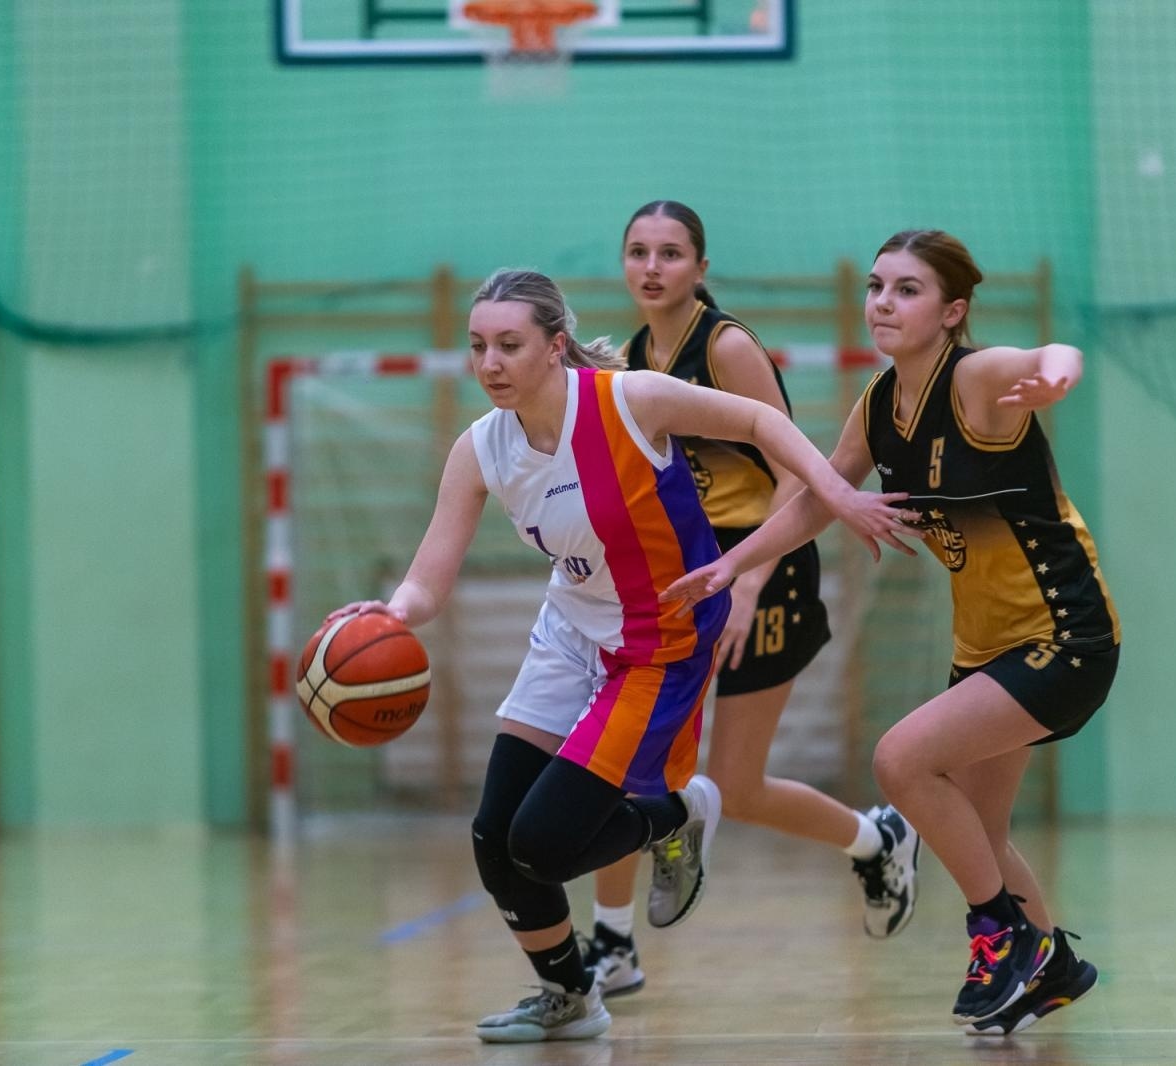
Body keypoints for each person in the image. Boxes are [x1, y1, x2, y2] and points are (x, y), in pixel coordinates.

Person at [327, 269, 909, 1044]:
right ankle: (572, 996)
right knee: (493, 837)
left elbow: (764, 425)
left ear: (555, 345)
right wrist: (390, 613)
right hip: (568, 634)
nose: (490, 362)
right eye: (477, 347)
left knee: (542, 844)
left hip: (661, 643)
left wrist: (837, 499)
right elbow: (430, 578)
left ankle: (678, 812)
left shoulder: (629, 400)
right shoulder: (483, 448)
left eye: (509, 344)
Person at [663, 229, 1117, 1035]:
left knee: (899, 760)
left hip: (1064, 632)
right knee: (980, 832)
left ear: (953, 312)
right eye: (877, 287)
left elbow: (1054, 350)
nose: (883, 302)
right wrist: (740, 566)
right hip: (986, 645)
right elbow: (815, 497)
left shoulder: (975, 379)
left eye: (907, 290)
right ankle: (1050, 963)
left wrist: (1058, 371)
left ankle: (1001, 935)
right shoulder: (880, 402)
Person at [581, 201, 920, 998]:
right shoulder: (631, 356)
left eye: (670, 253)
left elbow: (798, 465)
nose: (653, 267)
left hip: (760, 566)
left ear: (700, 268)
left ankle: (875, 839)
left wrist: (752, 578)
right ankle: (615, 942)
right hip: (690, 575)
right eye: (638, 252)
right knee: (623, 760)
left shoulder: (726, 346)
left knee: (736, 784)